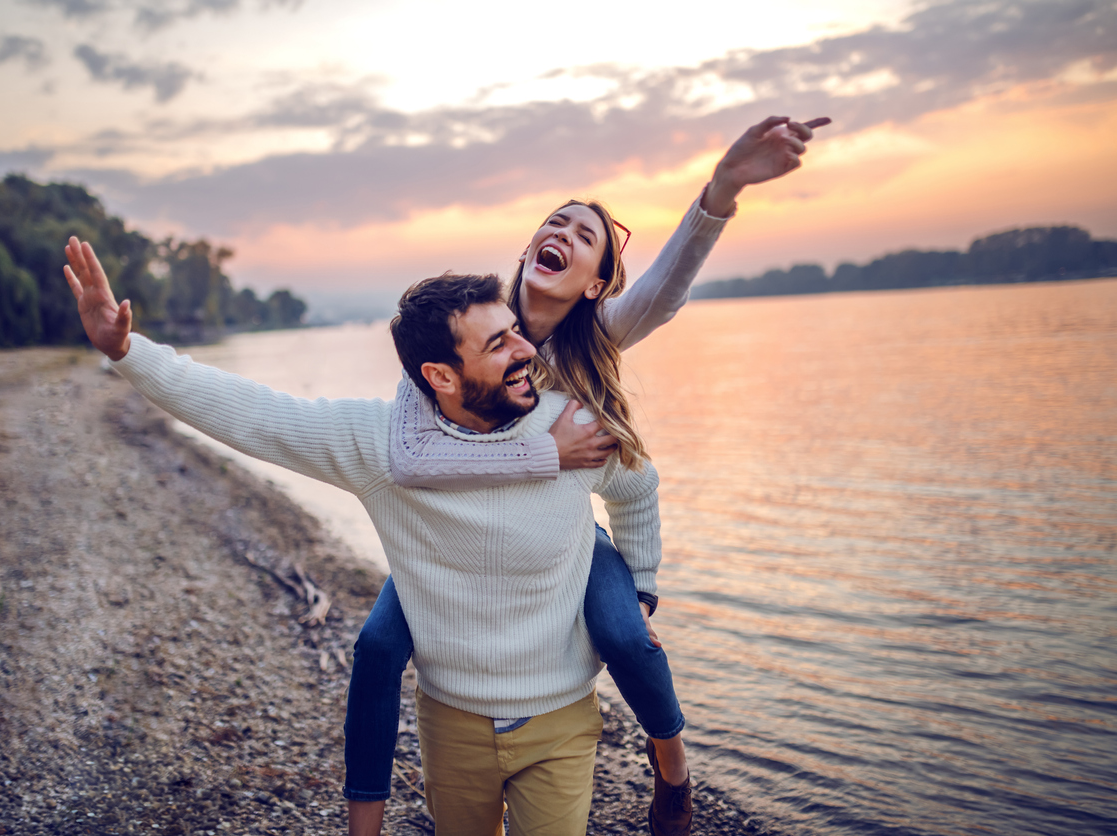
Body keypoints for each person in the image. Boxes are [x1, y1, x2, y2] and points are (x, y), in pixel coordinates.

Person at [345, 114, 831, 836]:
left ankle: (673, 774)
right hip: (451, 539)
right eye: (555, 222)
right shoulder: (468, 327)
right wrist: (535, 453)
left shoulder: (592, 337)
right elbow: (410, 453)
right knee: (378, 647)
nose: (563, 234)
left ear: (596, 281)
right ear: (529, 246)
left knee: (628, 635)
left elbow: (665, 293)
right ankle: (365, 821)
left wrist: (722, 189)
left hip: (559, 534)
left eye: (584, 237)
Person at [63, 253, 665, 835]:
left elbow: (637, 490)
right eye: (498, 344)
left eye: (514, 331)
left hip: (560, 721)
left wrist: (639, 591)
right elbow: (253, 414)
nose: (527, 350)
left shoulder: (572, 427)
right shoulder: (381, 446)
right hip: (451, 723)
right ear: (440, 377)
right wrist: (126, 351)